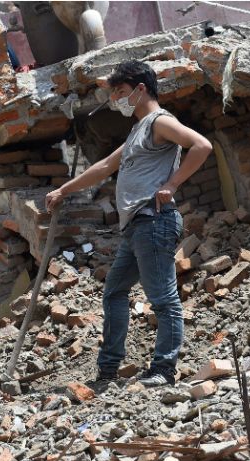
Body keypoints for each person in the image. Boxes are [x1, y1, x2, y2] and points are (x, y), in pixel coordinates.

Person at [45, 60, 212, 387]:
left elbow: (201, 146)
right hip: (137, 228)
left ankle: (164, 370)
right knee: (114, 292)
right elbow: (106, 165)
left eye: (121, 92)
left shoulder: (160, 122)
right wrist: (64, 189)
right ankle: (108, 370)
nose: (117, 99)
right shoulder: (139, 130)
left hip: (155, 221)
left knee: (162, 299)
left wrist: (173, 184)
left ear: (141, 88)